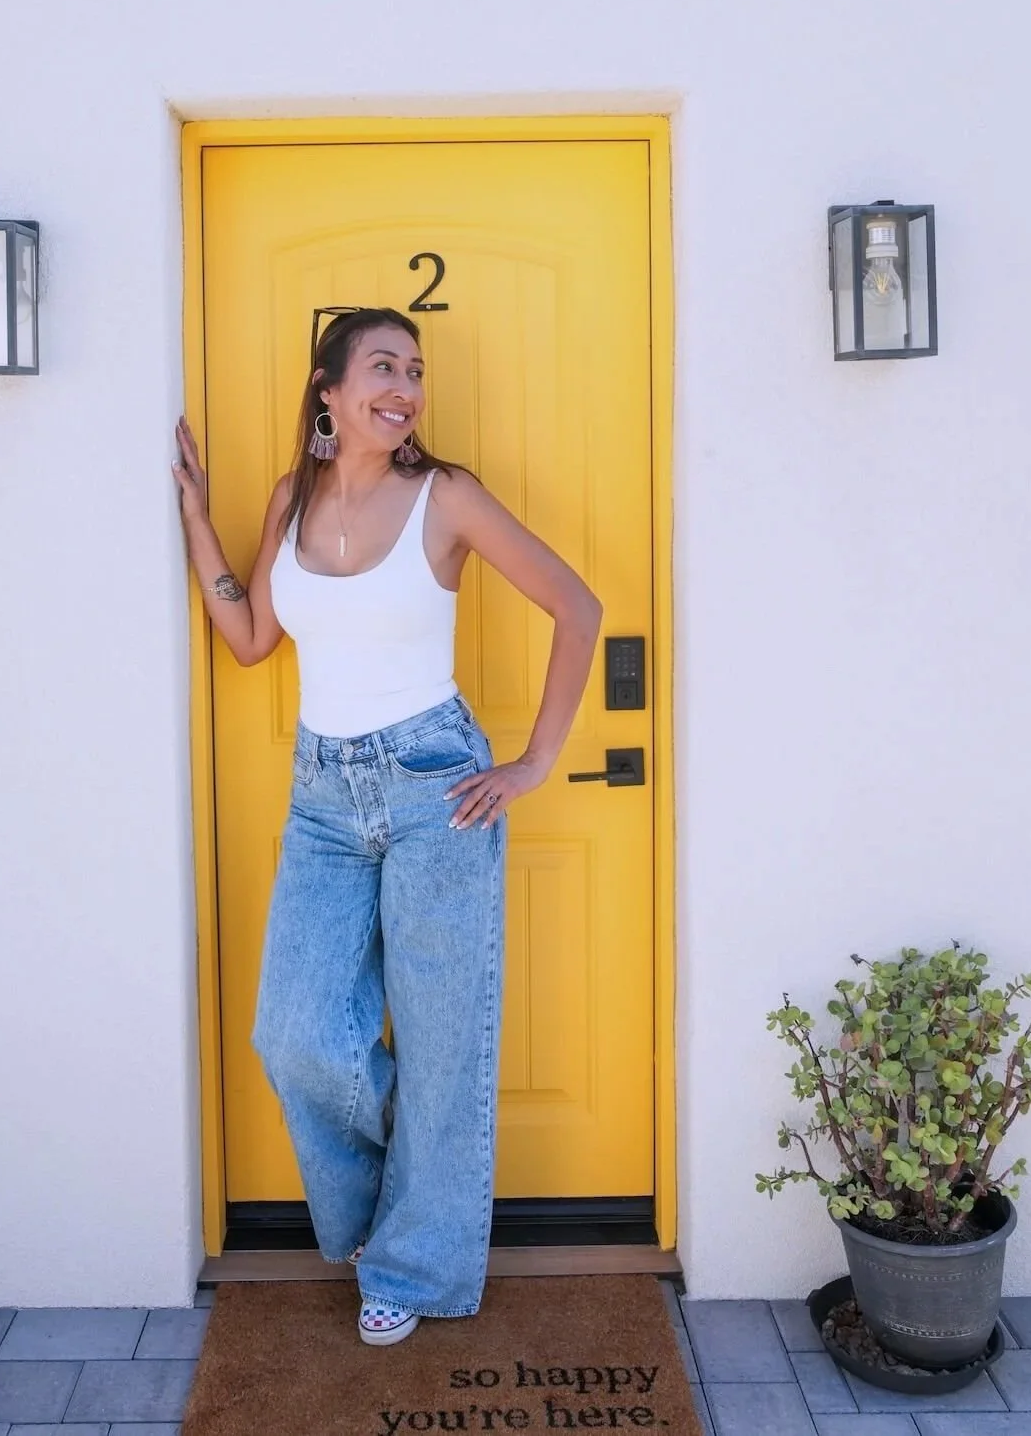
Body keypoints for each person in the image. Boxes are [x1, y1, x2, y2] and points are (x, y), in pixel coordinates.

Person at [172, 306, 601, 1345]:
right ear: (328, 390)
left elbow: (577, 607)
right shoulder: (291, 499)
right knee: (296, 1034)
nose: (404, 387)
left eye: (414, 370)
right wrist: (197, 519)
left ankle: (411, 1264)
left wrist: (534, 761)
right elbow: (250, 637)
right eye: (382, 366)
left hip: (434, 785)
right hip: (322, 794)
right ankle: (397, 1202)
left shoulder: (445, 497)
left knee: (447, 1046)